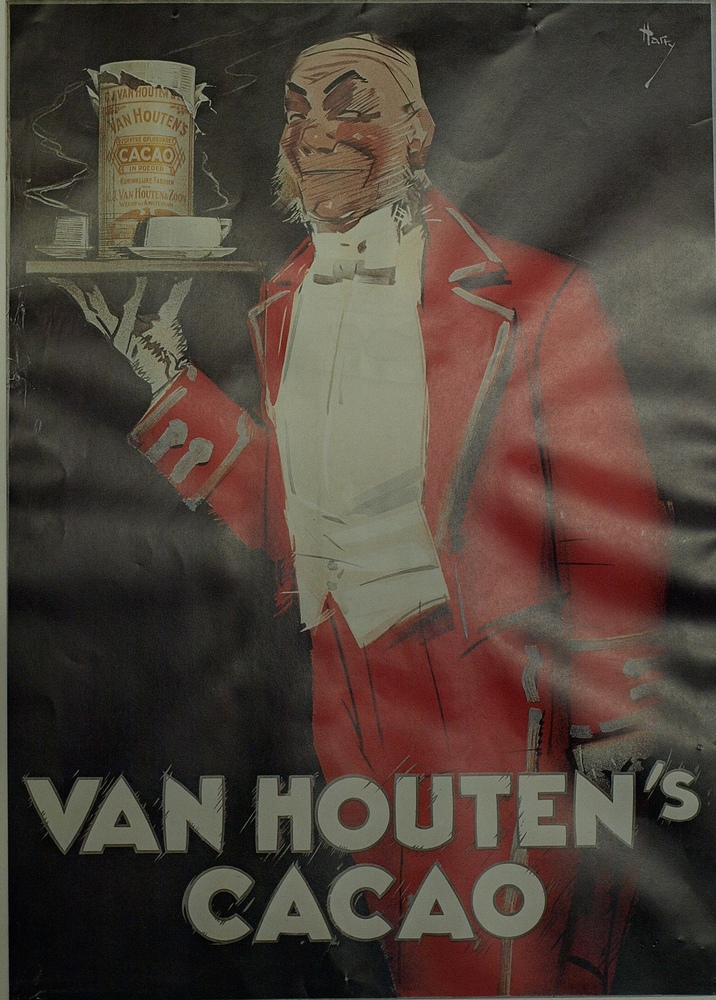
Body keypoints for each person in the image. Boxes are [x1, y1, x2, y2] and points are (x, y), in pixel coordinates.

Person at [57, 33, 667, 997]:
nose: (314, 128)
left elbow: (611, 515)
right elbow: (298, 517)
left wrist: (614, 709)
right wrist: (164, 373)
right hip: (343, 679)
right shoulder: (283, 296)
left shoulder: (537, 293)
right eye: (297, 107)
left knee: (491, 961)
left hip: (487, 673)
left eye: (351, 102)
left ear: (418, 133)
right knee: (404, 956)